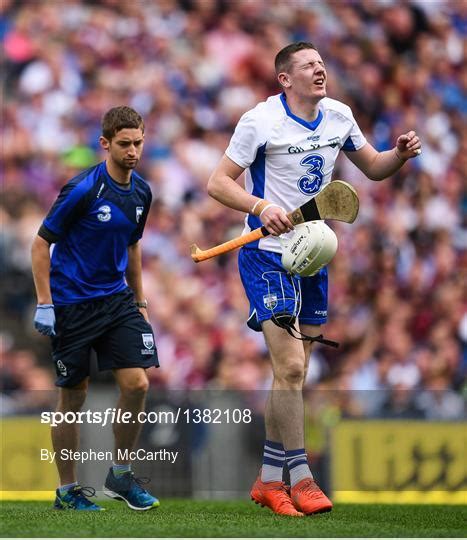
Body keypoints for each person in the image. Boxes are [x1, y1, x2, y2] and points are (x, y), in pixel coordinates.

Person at [207, 42, 421, 517]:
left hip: (313, 253)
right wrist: (261, 207)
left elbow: (373, 167)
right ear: (285, 78)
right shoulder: (259, 121)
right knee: (292, 369)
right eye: (309, 65)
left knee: (291, 375)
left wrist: (400, 156)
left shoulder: (340, 116)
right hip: (264, 253)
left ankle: (267, 481)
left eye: (322, 64)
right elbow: (218, 183)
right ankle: (301, 478)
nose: (320, 70)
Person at [31, 106, 160, 511]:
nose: (133, 151)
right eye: (124, 144)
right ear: (105, 143)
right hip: (71, 304)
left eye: (138, 142)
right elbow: (40, 244)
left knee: (138, 384)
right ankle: (67, 491)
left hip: (116, 300)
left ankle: (119, 475)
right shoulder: (83, 188)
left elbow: (133, 246)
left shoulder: (142, 192)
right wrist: (45, 303)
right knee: (74, 398)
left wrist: (139, 301)